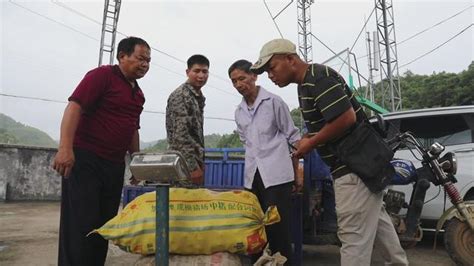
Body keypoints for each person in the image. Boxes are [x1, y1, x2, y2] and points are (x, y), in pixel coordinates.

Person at [250, 39, 408, 266]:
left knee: (352, 237)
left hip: (353, 168)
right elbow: (329, 122)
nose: (270, 76)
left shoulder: (317, 78)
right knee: (379, 224)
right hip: (358, 166)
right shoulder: (306, 85)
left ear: (290, 59)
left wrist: (310, 145)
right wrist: (309, 138)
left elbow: (346, 118)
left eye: (271, 68)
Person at [52, 36, 151, 265]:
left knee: (104, 226)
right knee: (80, 225)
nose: (145, 64)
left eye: (148, 60)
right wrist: (65, 148)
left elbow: (132, 129)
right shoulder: (102, 76)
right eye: (140, 58)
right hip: (86, 160)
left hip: (113, 165)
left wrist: (135, 164)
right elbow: (74, 106)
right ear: (122, 56)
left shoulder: (139, 94)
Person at [228, 59, 301, 264]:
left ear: (254, 75)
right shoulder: (239, 111)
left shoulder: (273, 102)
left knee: (277, 227)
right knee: (254, 225)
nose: (239, 84)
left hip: (277, 175)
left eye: (242, 78)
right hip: (252, 177)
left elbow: (292, 136)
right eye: (234, 81)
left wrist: (298, 171)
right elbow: (246, 142)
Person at [166, 54, 209, 185]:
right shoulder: (181, 95)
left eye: (205, 71)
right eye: (196, 71)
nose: (201, 75)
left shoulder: (196, 96)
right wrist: (192, 167)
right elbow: (181, 137)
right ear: (187, 72)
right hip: (182, 167)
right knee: (183, 203)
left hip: (194, 162)